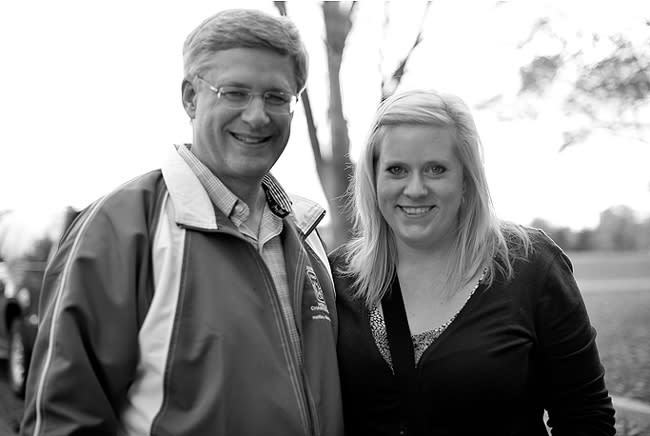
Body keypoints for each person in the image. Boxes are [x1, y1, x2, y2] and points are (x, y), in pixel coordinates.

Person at [21, 9, 343, 436]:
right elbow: (62, 419)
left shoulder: (305, 236)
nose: (257, 115)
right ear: (191, 97)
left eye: (276, 97)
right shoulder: (120, 229)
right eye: (234, 92)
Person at [331, 89, 616, 435]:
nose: (416, 188)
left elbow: (585, 417)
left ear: (466, 179)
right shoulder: (337, 277)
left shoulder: (530, 265)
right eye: (397, 170)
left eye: (436, 169)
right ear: (373, 179)